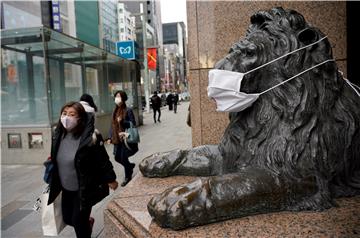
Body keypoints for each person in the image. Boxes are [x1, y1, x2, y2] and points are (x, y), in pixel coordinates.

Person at [47, 101, 118, 238]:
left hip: (84, 188)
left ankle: (84, 226)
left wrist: (111, 179)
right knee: (67, 218)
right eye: (64, 113)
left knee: (78, 222)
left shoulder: (91, 137)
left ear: (80, 118)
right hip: (65, 188)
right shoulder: (58, 135)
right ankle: (87, 223)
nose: (67, 117)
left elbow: (102, 159)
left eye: (72, 114)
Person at [107, 90, 139, 187]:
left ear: (123, 98)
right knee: (117, 158)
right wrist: (110, 137)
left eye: (119, 96)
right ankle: (130, 166)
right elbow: (112, 125)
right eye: (116, 96)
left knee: (123, 158)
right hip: (117, 138)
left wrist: (122, 122)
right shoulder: (115, 110)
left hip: (125, 138)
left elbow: (133, 123)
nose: (117, 98)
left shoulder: (128, 110)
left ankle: (127, 177)